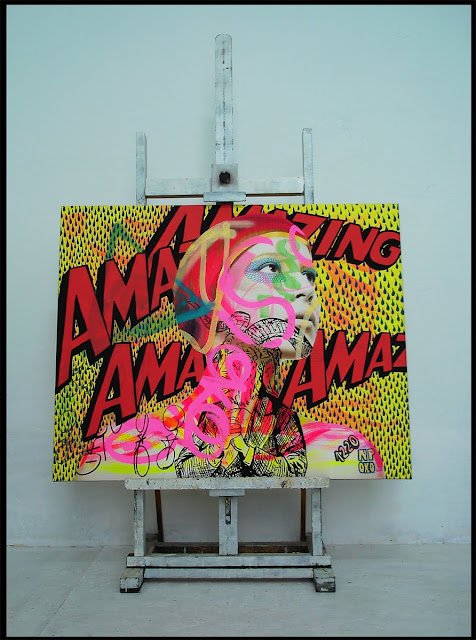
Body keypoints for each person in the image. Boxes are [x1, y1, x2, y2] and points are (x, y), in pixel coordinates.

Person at [172, 212, 321, 478]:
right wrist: (217, 453)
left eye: (308, 275)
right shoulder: (193, 419)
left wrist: (250, 454)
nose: (306, 288)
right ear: (211, 303)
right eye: (271, 268)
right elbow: (185, 469)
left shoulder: (284, 419)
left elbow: (296, 468)